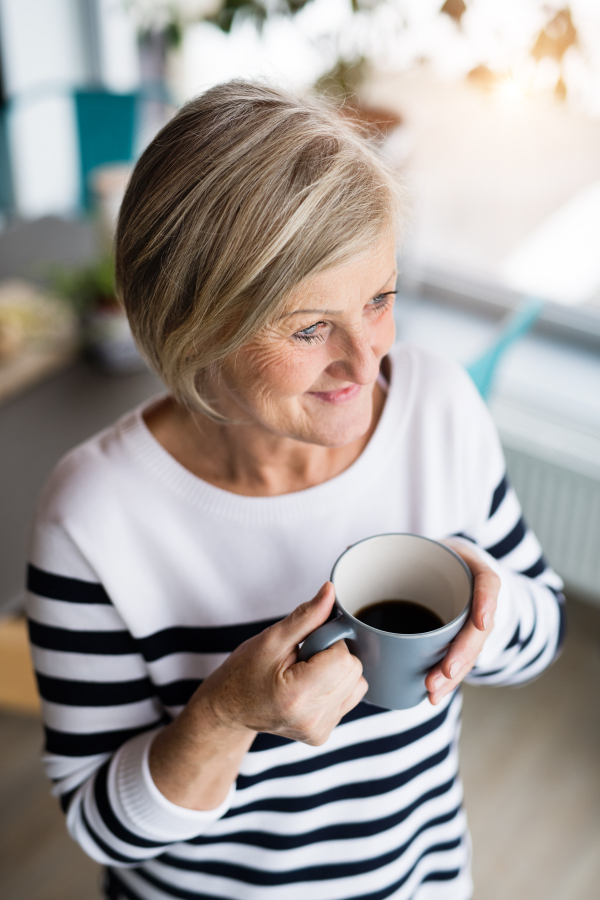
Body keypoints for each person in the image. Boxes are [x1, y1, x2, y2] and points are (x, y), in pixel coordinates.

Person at [26, 81, 565, 900]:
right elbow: (102, 826)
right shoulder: (95, 517)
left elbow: (546, 623)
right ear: (190, 323)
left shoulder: (439, 410)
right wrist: (225, 715)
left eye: (379, 298)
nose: (366, 359)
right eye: (311, 328)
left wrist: (489, 613)